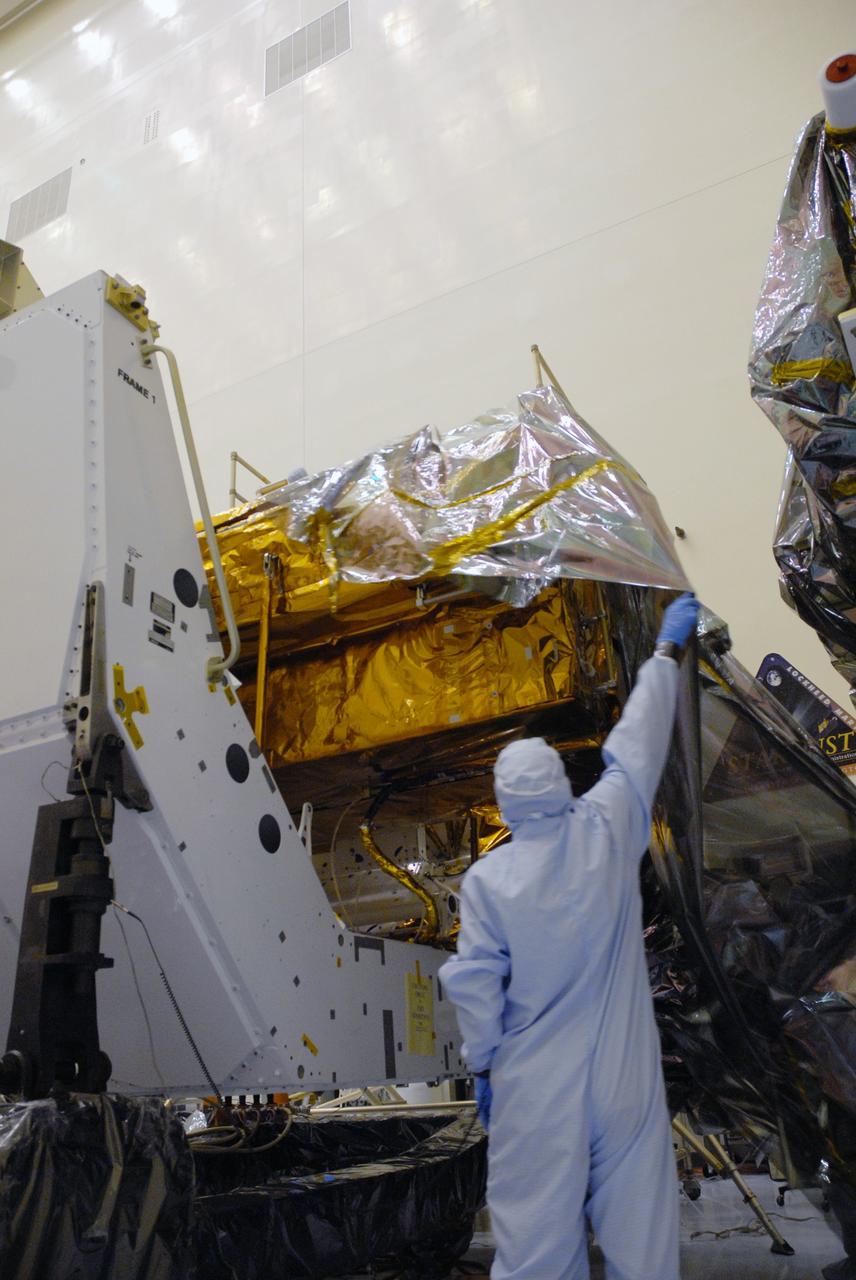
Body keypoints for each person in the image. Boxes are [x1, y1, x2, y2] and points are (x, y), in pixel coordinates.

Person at [439, 592, 699, 1280]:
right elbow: (639, 744)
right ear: (558, 783)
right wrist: (667, 654)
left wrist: (485, 1063)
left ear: (503, 802)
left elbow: (474, 985)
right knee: (640, 1236)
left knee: (536, 1247)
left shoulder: (489, 883)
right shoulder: (606, 830)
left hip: (535, 1086)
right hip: (622, 1073)